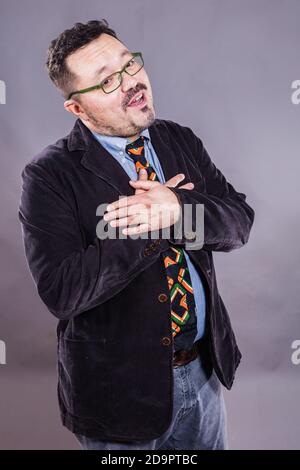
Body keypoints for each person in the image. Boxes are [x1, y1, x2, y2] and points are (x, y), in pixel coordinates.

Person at [18, 19, 255, 450]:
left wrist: (178, 210)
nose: (132, 83)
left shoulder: (178, 140)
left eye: (130, 65)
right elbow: (62, 291)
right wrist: (153, 224)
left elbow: (238, 224)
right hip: (118, 396)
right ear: (77, 108)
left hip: (204, 374)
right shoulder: (48, 175)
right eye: (108, 81)